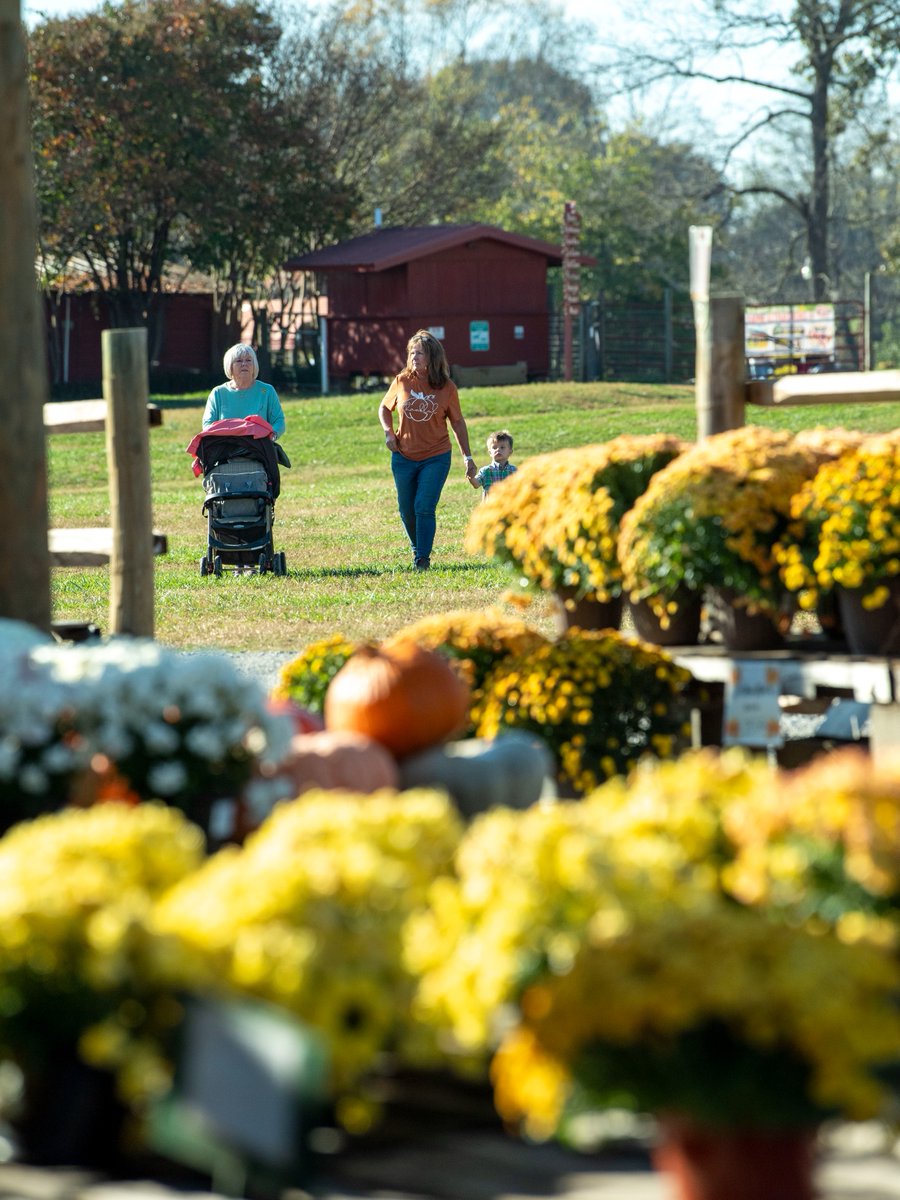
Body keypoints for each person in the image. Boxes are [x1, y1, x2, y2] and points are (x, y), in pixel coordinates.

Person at [379, 329, 477, 570]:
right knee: (406, 508)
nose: (414, 357)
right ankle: (417, 548)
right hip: (403, 456)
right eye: (412, 352)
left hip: (436, 456)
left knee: (423, 506)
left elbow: (457, 422)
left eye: (420, 353)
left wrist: (468, 456)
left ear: (432, 357)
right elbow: (384, 408)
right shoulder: (402, 381)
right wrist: (388, 432)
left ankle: (422, 558)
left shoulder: (447, 387)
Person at [203, 344, 286, 439]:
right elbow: (207, 424)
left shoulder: (266, 391)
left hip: (259, 447)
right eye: (239, 361)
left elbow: (279, 421)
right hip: (226, 448)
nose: (244, 364)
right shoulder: (218, 393)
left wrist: (272, 436)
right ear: (230, 366)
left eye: (248, 360)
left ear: (254, 365)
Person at [470, 429, 517, 501]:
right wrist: (471, 476)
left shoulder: (515, 471)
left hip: (509, 508)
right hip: (490, 509)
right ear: (490, 453)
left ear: (510, 452)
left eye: (502, 447)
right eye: (494, 447)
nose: (498, 450)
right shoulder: (486, 471)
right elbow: (476, 484)